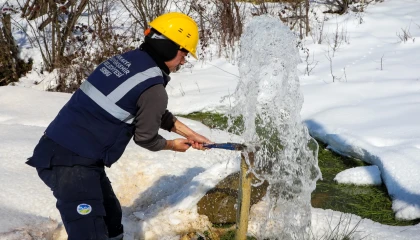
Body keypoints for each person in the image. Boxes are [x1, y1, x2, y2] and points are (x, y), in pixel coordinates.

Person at [26, 12, 211, 240]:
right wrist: (173, 145)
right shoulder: (154, 88)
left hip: (62, 151)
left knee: (112, 221)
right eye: (184, 53)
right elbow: (146, 138)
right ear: (168, 47)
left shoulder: (127, 61)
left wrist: (192, 134)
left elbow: (149, 110)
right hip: (71, 164)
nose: (184, 60)